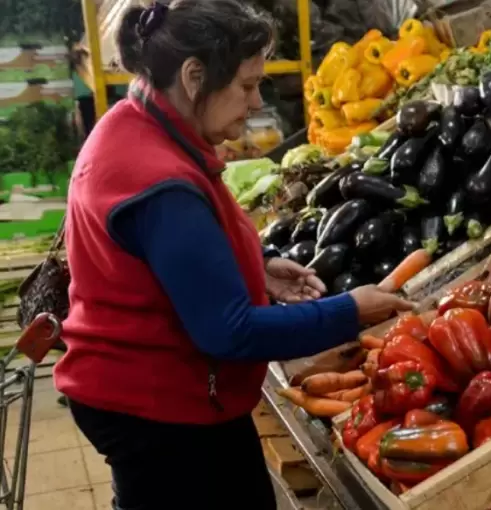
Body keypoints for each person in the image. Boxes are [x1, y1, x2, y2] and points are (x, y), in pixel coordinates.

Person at [55, 1, 414, 509]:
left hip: (157, 390)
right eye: (246, 85)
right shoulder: (156, 180)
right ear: (194, 75)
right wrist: (350, 310)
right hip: (156, 409)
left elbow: (170, 255)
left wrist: (258, 264)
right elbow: (231, 332)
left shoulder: (142, 123)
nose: (255, 101)